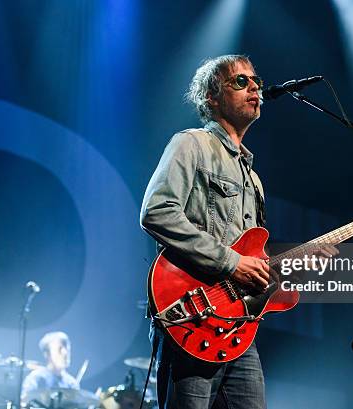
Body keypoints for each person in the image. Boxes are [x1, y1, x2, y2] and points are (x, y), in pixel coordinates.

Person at [140, 55, 270, 409]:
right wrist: (230, 262)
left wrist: (295, 262)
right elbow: (156, 212)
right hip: (194, 317)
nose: (254, 87)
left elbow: (251, 254)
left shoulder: (253, 177)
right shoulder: (191, 144)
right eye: (240, 81)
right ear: (211, 97)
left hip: (239, 327)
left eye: (255, 80)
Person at [21, 331, 79, 403]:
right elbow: (24, 402)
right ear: (47, 354)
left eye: (67, 348)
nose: (65, 352)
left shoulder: (72, 383)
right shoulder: (36, 378)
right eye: (60, 349)